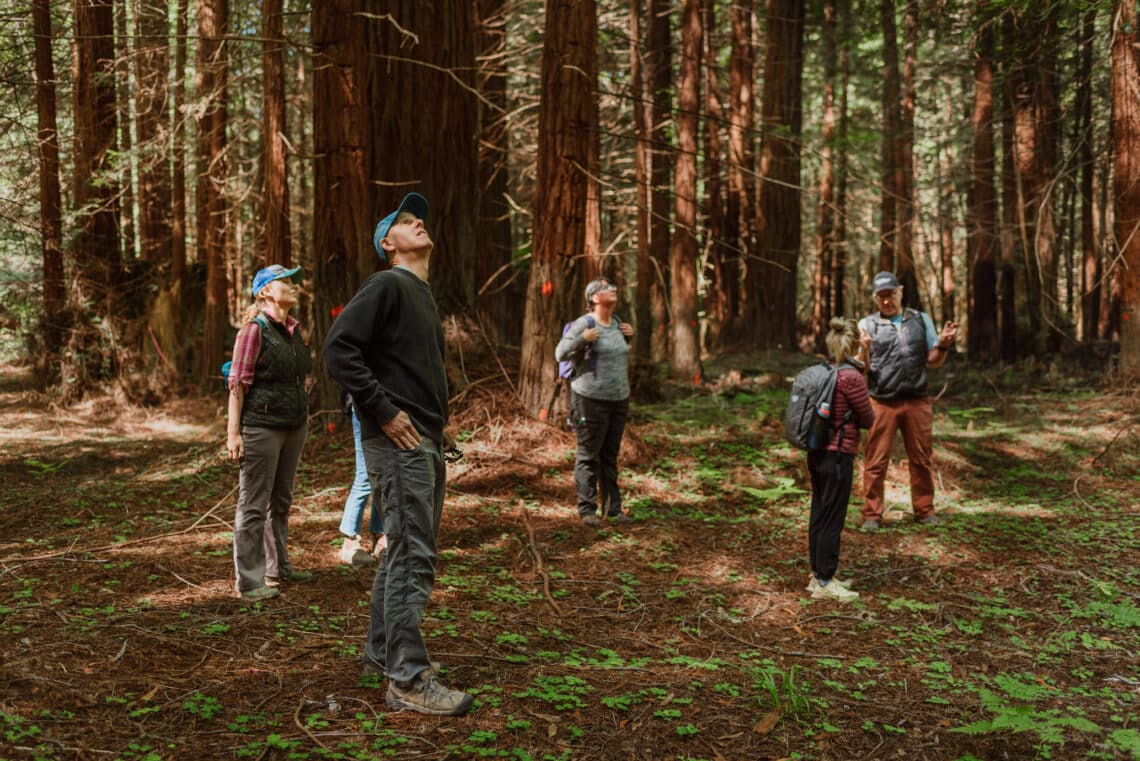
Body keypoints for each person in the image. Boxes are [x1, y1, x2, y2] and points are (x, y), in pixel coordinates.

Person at [323, 192, 472, 717]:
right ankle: (407, 679)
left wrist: (436, 427)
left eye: (421, 218)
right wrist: (384, 412)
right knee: (412, 556)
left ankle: (382, 653)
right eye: (407, 222)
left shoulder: (422, 294)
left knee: (401, 554)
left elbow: (410, 372)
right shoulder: (388, 283)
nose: (419, 223)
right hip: (395, 442)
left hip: (421, 439)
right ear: (389, 244)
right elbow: (339, 349)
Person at [226, 264, 314, 600]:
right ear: (265, 291)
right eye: (285, 282)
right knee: (253, 504)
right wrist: (233, 434)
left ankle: (278, 567)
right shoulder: (253, 330)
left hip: (294, 426)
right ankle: (249, 582)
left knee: (281, 500)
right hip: (262, 428)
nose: (293, 286)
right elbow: (237, 384)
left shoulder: (292, 330)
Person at [858, 271, 959, 531]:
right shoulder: (866, 325)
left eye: (890, 294)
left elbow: (933, 360)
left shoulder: (920, 320)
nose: (886, 301)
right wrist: (864, 349)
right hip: (881, 402)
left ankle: (924, 510)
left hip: (917, 400)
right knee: (875, 460)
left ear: (900, 292)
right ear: (875, 298)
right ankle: (872, 514)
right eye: (881, 297)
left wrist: (945, 345)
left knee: (922, 458)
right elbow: (862, 369)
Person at [555, 277, 635, 527]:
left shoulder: (618, 322)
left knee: (610, 455)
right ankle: (587, 510)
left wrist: (627, 339)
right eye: (605, 288)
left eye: (613, 286)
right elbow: (560, 353)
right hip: (590, 400)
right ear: (593, 298)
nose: (612, 289)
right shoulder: (585, 323)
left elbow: (613, 354)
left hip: (618, 399)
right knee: (589, 455)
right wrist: (582, 339)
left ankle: (613, 508)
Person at [805, 317, 875, 602]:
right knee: (833, 518)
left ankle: (818, 575)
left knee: (819, 513)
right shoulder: (851, 378)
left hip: (817, 451)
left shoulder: (824, 370)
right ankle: (825, 582)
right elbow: (869, 418)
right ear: (855, 343)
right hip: (838, 455)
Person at [336, 393, 385, 567]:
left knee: (382, 474)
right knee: (365, 475)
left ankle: (380, 535)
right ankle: (349, 541)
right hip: (363, 405)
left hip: (386, 405)